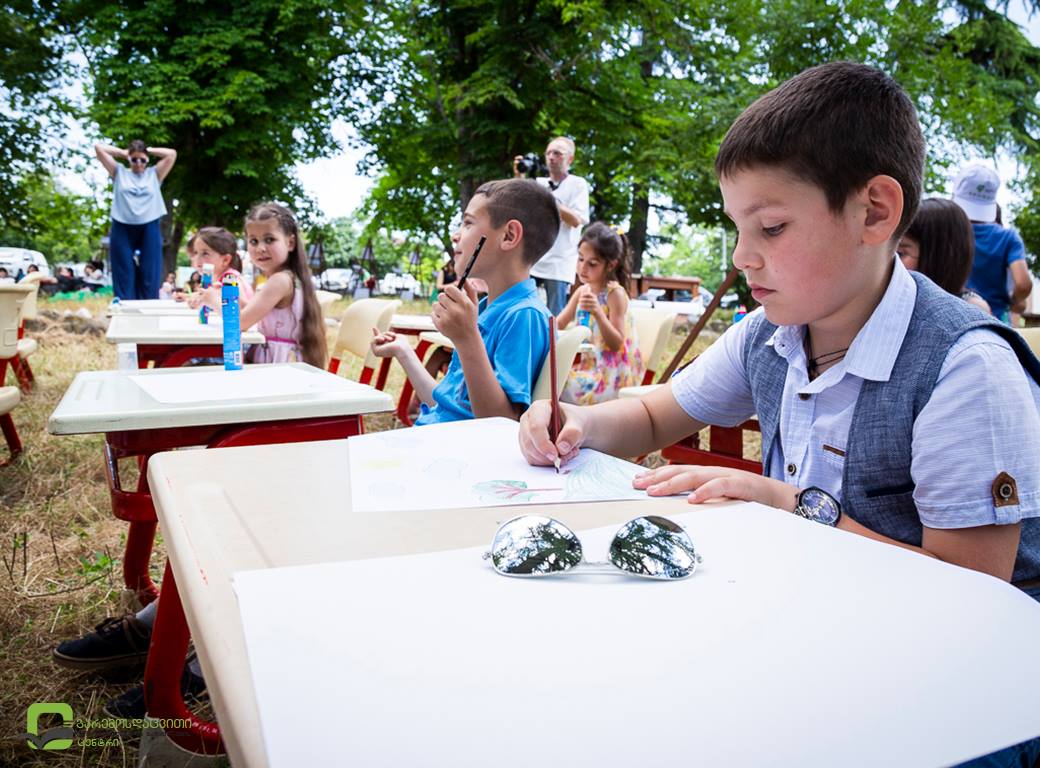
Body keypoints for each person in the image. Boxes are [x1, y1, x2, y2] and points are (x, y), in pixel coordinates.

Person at [519, 63, 1040, 638]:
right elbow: (650, 415)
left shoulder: (965, 369)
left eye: (770, 228)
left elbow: (974, 595)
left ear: (874, 211)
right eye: (738, 228)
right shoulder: (771, 334)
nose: (741, 257)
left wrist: (787, 504)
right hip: (810, 623)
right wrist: (578, 424)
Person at [371, 178, 556, 425]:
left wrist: (467, 338)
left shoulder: (525, 316)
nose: (456, 235)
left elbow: (501, 424)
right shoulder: (486, 309)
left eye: (468, 223)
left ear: (509, 235)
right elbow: (448, 407)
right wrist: (404, 351)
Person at [194, 203, 325, 366]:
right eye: (254, 241)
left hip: (278, 370)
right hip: (274, 365)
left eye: (269, 239)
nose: (260, 248)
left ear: (290, 243)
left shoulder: (280, 281)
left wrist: (214, 300)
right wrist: (226, 298)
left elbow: (240, 323)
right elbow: (252, 312)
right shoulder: (283, 279)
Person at [557, 222, 644, 404]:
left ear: (611, 265)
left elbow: (616, 343)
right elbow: (558, 324)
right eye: (580, 259)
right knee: (551, 376)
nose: (583, 268)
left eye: (592, 263)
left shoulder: (615, 294)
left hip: (612, 376)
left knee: (557, 384)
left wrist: (598, 312)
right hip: (589, 368)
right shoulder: (583, 291)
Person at [513, 137, 590, 315]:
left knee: (554, 316)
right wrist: (519, 178)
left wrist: (547, 197)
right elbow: (518, 208)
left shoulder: (577, 184)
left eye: (557, 153)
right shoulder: (538, 183)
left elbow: (576, 220)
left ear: (570, 159)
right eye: (548, 153)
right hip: (534, 260)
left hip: (559, 264)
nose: (551, 157)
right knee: (523, 309)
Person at [95, 139, 177, 301]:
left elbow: (171, 154)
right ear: (129, 159)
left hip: (149, 225)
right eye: (134, 159)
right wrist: (123, 153)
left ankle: (148, 304)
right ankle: (125, 303)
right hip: (122, 225)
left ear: (147, 160)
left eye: (142, 160)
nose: (138, 163)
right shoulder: (119, 172)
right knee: (123, 268)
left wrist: (148, 150)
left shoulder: (154, 174)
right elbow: (99, 148)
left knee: (150, 269)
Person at [951, 162, 1031, 324]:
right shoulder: (1008, 237)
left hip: (955, 316)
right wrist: (1012, 301)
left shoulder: (946, 230)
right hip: (996, 320)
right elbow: (1023, 284)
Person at [897, 198, 990, 313]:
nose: (892, 261)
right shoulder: (899, 300)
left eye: (900, 253)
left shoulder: (971, 310)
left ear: (938, 258)